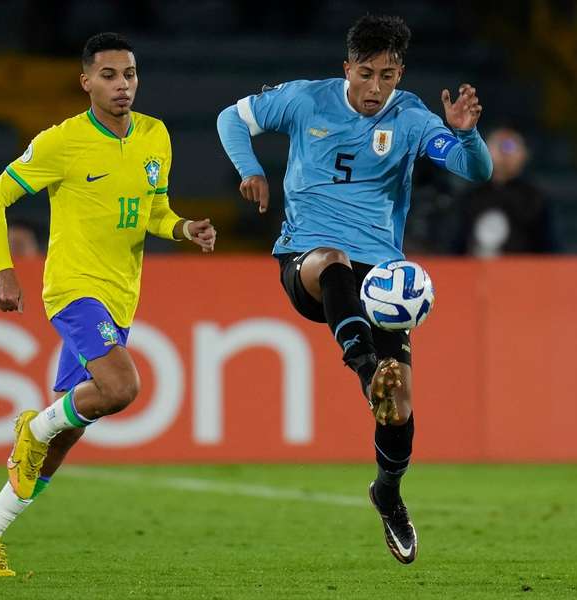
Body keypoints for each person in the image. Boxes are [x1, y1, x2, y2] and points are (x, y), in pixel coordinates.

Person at [216, 13, 492, 564]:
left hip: (383, 276)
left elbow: (474, 170)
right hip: (308, 260)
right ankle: (367, 369)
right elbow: (232, 118)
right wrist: (251, 168)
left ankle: (387, 494)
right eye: (365, 73)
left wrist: (466, 132)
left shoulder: (410, 117)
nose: (374, 88)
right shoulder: (304, 100)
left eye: (387, 76)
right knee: (332, 260)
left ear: (400, 73)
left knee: (400, 410)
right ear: (347, 67)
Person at [0, 32, 217, 577]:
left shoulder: (155, 135)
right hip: (75, 289)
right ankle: (29, 430)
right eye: (108, 75)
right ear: (85, 82)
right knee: (122, 388)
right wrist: (3, 270)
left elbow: (153, 212)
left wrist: (182, 227)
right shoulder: (62, 142)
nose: (121, 85)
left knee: (67, 433)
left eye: (129, 74)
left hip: (121, 296)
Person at [454, 127, 558, 256]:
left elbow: (549, 249)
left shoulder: (535, 198)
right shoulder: (470, 196)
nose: (505, 153)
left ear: (525, 154)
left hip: (521, 272)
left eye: (510, 146)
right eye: (498, 145)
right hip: (475, 272)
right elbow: (455, 247)